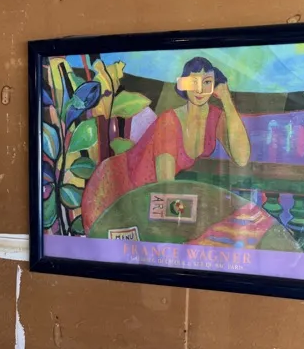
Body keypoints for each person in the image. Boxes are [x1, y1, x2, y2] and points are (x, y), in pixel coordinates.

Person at [80, 57, 251, 232]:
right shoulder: (169, 121)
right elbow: (166, 184)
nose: (200, 89)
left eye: (207, 82)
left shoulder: (214, 117)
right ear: (183, 84)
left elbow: (242, 158)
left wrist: (227, 100)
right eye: (193, 82)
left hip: (152, 197)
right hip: (119, 190)